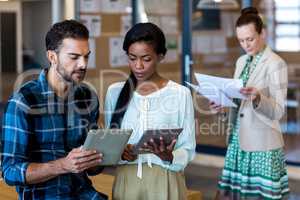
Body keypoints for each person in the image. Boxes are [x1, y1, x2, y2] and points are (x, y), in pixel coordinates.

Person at [1, 20, 107, 199]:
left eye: (86, 56)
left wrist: (101, 156)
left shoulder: (88, 97)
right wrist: (63, 165)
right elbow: (10, 172)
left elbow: (93, 169)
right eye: (74, 57)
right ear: (52, 57)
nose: (83, 64)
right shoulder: (23, 102)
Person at [104, 22, 196, 200]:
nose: (138, 66)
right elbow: (110, 144)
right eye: (132, 58)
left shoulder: (180, 94)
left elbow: (188, 148)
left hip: (166, 181)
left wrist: (169, 156)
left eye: (146, 59)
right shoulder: (115, 93)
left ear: (160, 56)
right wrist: (122, 153)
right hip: (127, 182)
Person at [211, 7, 289, 199]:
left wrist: (258, 98)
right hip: (238, 142)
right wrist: (222, 107)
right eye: (241, 40)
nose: (245, 44)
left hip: (263, 146)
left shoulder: (276, 63)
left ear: (262, 33)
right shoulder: (241, 61)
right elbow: (238, 105)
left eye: (250, 39)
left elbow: (278, 111)